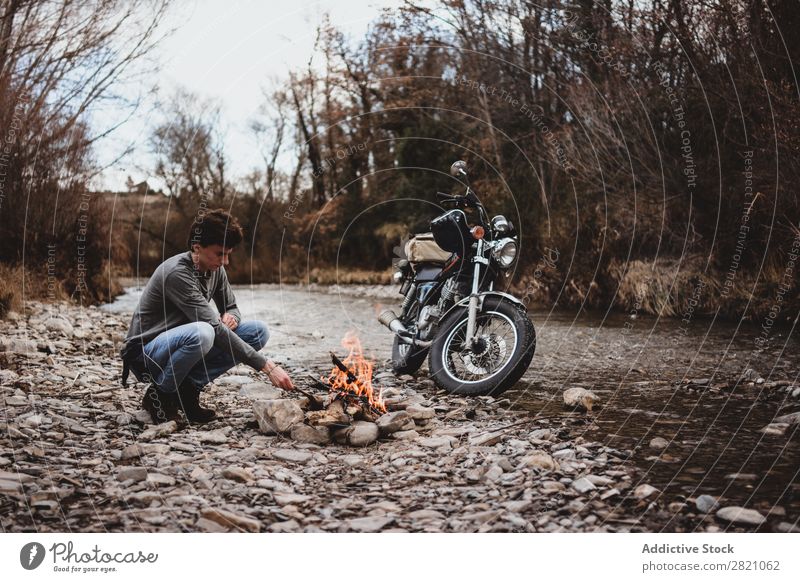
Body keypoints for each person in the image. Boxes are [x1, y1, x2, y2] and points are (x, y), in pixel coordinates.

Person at [120, 209, 293, 424]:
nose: (225, 261)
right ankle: (160, 396)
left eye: (228, 253)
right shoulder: (177, 274)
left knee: (258, 331)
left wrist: (232, 316)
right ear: (196, 248)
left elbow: (231, 306)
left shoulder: (215, 270)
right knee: (204, 332)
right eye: (220, 253)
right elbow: (213, 328)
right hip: (145, 353)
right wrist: (268, 367)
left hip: (181, 344)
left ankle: (187, 390)